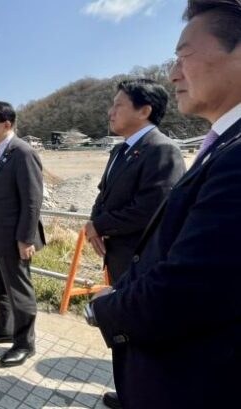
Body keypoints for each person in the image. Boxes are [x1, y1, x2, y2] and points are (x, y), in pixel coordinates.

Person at [87, 1, 241, 408]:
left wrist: (105, 309)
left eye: (183, 55)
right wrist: (94, 223)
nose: (173, 73)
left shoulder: (228, 153)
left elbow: (191, 286)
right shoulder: (221, 143)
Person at [86, 79, 185, 285]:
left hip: (145, 263)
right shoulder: (120, 150)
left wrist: (101, 225)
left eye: (118, 105)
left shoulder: (162, 149)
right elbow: (103, 193)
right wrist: (93, 223)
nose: (111, 112)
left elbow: (151, 209)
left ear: (144, 111)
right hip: (118, 259)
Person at [0, 100, 45, 367]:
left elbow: (32, 201)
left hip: (15, 239)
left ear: (7, 124)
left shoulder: (23, 153)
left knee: (19, 291)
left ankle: (25, 343)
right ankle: (4, 328)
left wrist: (25, 238)